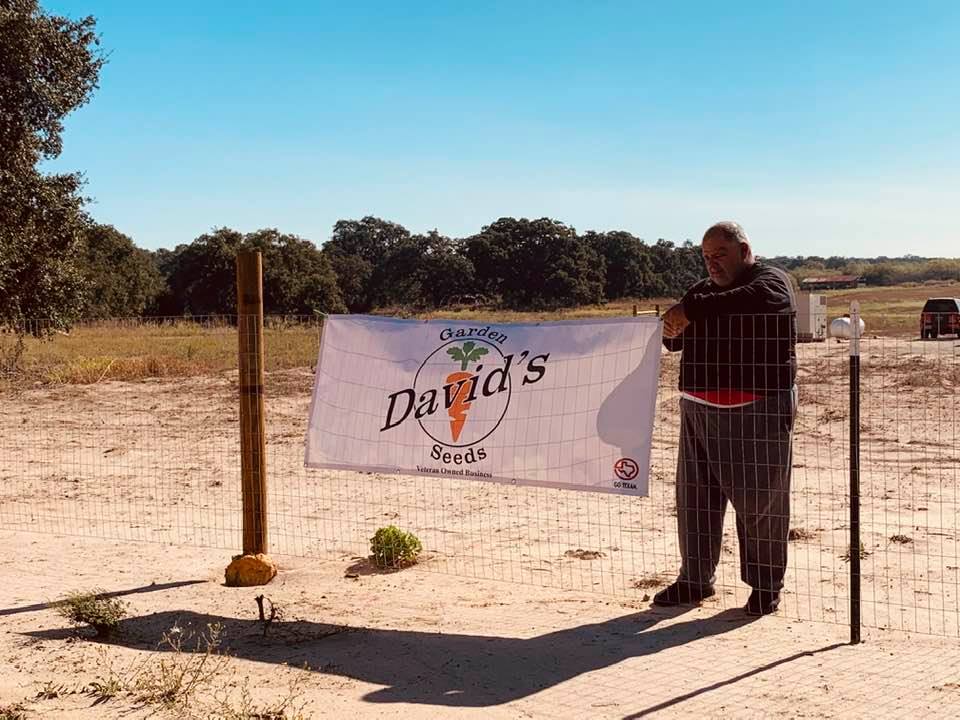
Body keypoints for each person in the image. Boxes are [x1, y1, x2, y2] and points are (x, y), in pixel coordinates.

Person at [654, 221, 797, 616]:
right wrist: (669, 327)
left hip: (758, 409)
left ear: (745, 251)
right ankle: (694, 580)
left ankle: (766, 585)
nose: (712, 263)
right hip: (698, 409)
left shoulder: (771, 282)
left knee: (761, 503)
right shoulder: (700, 292)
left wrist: (690, 311)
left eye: (720, 254)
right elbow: (674, 339)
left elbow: (758, 298)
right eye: (706, 256)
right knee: (695, 501)